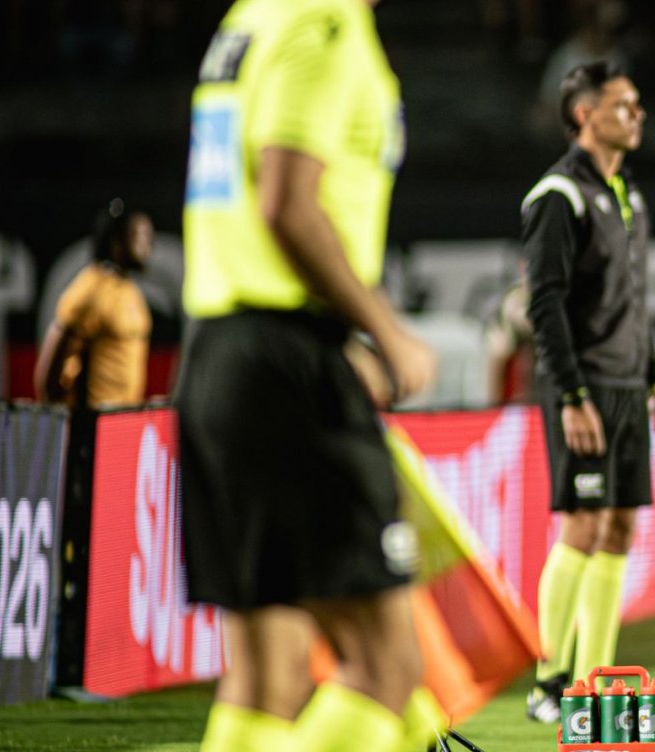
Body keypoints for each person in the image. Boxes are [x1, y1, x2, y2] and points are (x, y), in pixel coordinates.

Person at [177, 0, 443, 749]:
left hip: (222, 351)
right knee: (386, 665)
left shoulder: (253, 17)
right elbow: (286, 203)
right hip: (284, 364)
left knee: (267, 674)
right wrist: (386, 331)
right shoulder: (325, 27)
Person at [521, 61, 655, 722]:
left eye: (637, 104)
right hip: (582, 387)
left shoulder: (628, 195)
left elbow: (633, 304)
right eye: (622, 105)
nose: (636, 115)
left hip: (626, 386)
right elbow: (544, 304)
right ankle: (548, 680)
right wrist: (570, 395)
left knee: (618, 528)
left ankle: (592, 683)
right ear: (585, 115)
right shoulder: (558, 195)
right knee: (582, 525)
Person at [35, 199, 152, 409]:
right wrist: (68, 415)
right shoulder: (91, 289)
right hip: (94, 417)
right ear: (117, 241)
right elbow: (49, 372)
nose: (147, 245)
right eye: (139, 235)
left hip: (126, 417)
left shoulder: (130, 290)